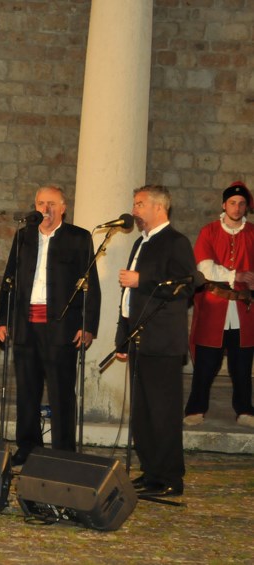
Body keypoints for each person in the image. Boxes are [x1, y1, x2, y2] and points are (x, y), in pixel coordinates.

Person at [0, 184, 100, 466]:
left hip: (61, 327)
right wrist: (3, 320)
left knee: (60, 392)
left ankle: (63, 452)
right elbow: (9, 279)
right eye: (41, 203)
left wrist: (88, 325)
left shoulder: (78, 238)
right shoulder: (24, 236)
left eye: (51, 203)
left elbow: (91, 285)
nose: (45, 209)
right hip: (26, 324)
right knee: (27, 390)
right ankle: (28, 446)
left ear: (63, 208)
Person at [115, 184, 196, 498]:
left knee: (163, 413)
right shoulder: (141, 242)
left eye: (139, 204)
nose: (134, 210)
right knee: (143, 413)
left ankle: (171, 478)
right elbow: (128, 298)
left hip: (162, 343)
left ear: (159, 207)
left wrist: (142, 280)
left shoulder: (176, 242)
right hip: (139, 339)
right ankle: (151, 472)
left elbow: (186, 285)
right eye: (134, 204)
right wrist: (122, 337)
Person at [185, 181, 254, 428]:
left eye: (242, 203)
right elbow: (204, 268)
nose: (237, 207)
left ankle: (244, 410)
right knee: (206, 364)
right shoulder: (209, 231)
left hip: (244, 310)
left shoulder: (252, 233)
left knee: (242, 365)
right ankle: (196, 408)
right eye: (232, 203)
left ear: (246, 207)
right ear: (224, 205)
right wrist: (236, 275)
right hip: (213, 308)